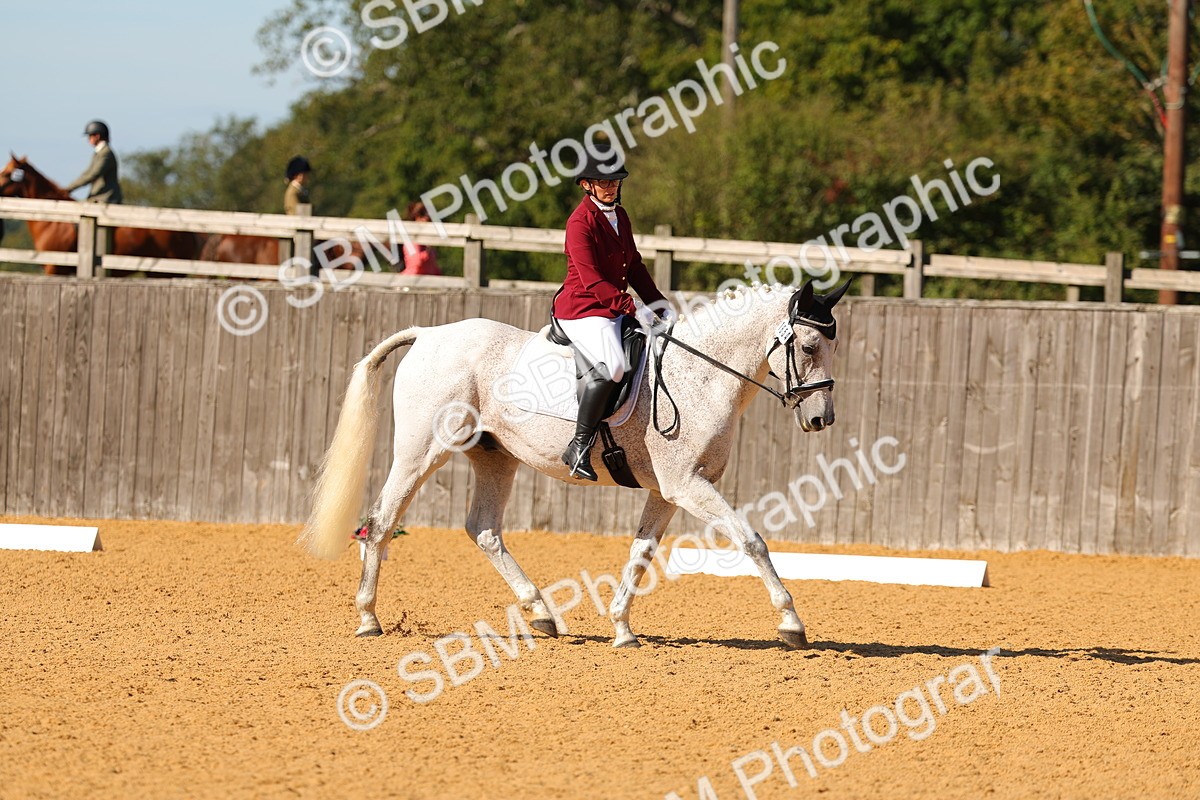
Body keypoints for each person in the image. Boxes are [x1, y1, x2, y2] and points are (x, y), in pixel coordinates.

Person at [552, 154, 669, 481]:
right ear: (587, 184)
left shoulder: (620, 215)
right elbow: (592, 280)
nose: (611, 186)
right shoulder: (580, 222)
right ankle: (578, 445)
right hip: (583, 308)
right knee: (614, 365)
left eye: (615, 181)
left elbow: (634, 266)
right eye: (604, 181)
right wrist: (634, 308)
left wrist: (659, 305)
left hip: (612, 306)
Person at [65, 120, 123, 204]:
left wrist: (69, 189)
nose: (88, 139)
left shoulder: (105, 153)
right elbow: (87, 173)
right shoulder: (99, 153)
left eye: (89, 136)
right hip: (98, 197)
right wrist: (69, 187)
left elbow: (93, 174)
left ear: (97, 136)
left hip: (105, 198)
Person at [400, 201, 443, 275]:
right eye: (423, 214)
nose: (427, 218)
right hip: (411, 281)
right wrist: (426, 253)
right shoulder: (411, 241)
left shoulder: (427, 243)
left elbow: (432, 266)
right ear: (416, 217)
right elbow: (416, 262)